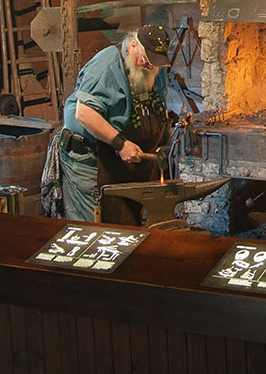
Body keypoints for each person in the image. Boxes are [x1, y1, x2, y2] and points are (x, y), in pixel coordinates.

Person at [44, 24, 174, 224]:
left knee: (124, 225)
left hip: (121, 165)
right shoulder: (106, 66)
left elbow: (156, 105)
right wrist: (121, 144)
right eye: (146, 60)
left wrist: (163, 138)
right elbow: (84, 113)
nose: (150, 66)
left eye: (155, 63)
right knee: (93, 228)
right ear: (132, 46)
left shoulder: (150, 68)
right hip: (90, 160)